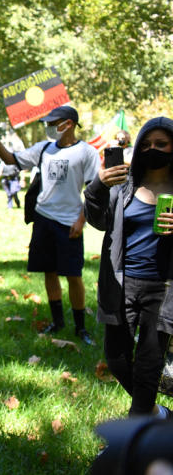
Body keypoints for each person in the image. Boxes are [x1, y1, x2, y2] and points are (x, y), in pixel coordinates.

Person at [0, 105, 100, 345]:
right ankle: (57, 321)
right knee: (49, 271)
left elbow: (92, 191)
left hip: (69, 222)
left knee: (73, 274)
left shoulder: (86, 152)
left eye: (53, 122)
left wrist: (81, 221)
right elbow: (11, 159)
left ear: (68, 123)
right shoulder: (44, 149)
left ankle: (81, 328)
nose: (49, 127)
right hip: (43, 219)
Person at [85, 117, 173, 418]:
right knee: (117, 358)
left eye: (161, 144)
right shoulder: (125, 185)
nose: (153, 150)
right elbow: (97, 220)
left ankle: (134, 447)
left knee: (149, 364)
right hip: (121, 283)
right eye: (146, 144)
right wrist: (98, 184)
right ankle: (156, 413)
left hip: (163, 289)